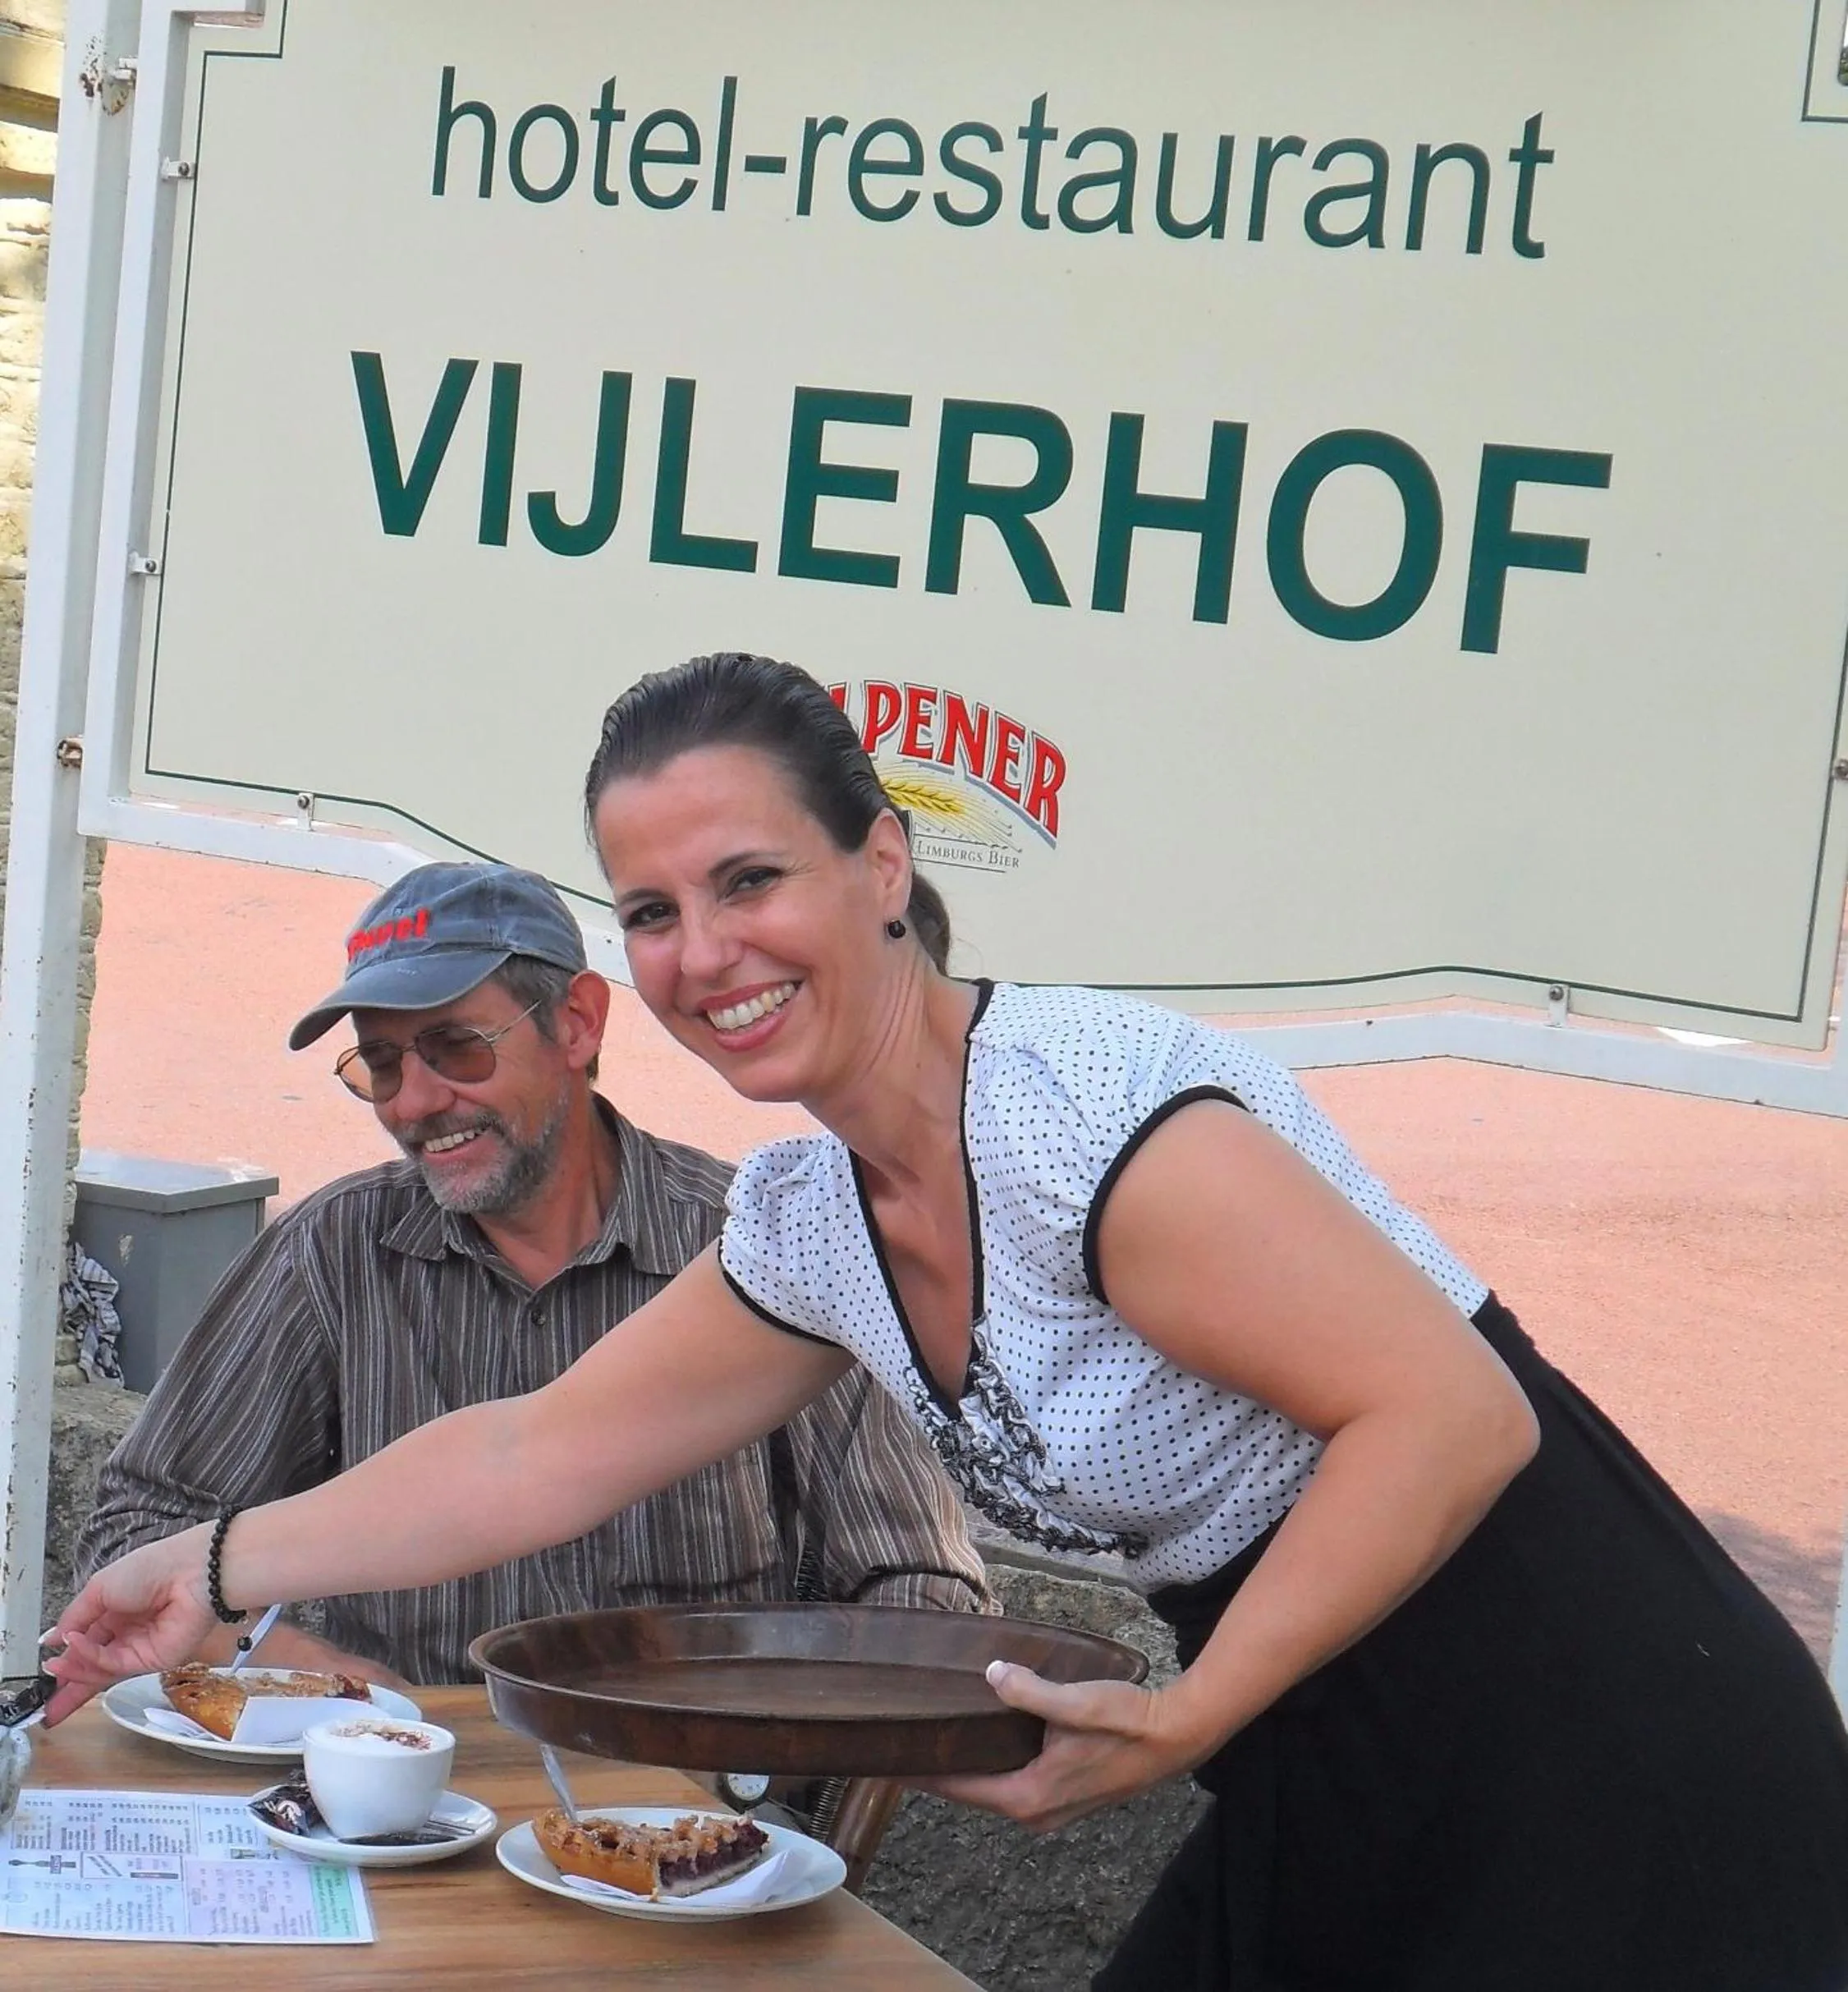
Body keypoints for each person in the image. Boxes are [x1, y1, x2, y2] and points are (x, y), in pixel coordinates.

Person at [50, 657, 1848, 1991]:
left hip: (1604, 1736)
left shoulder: (1081, 1117)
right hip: (1337, 1742)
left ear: (884, 865)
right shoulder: (823, 1216)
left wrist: (1188, 1709)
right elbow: (539, 1450)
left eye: (750, 880)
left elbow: (1454, 1418)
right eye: (655, 910)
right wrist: (208, 1562)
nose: (704, 953)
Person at [72, 859, 989, 1689]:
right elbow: (137, 1531)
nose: (417, 1101)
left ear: (578, 1024)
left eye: (456, 1046)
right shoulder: (333, 1250)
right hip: (402, 1816)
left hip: (695, 1830)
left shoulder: (758, 1239)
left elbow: (918, 1583)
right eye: (382, 1064)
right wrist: (323, 1680)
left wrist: (777, 1765)